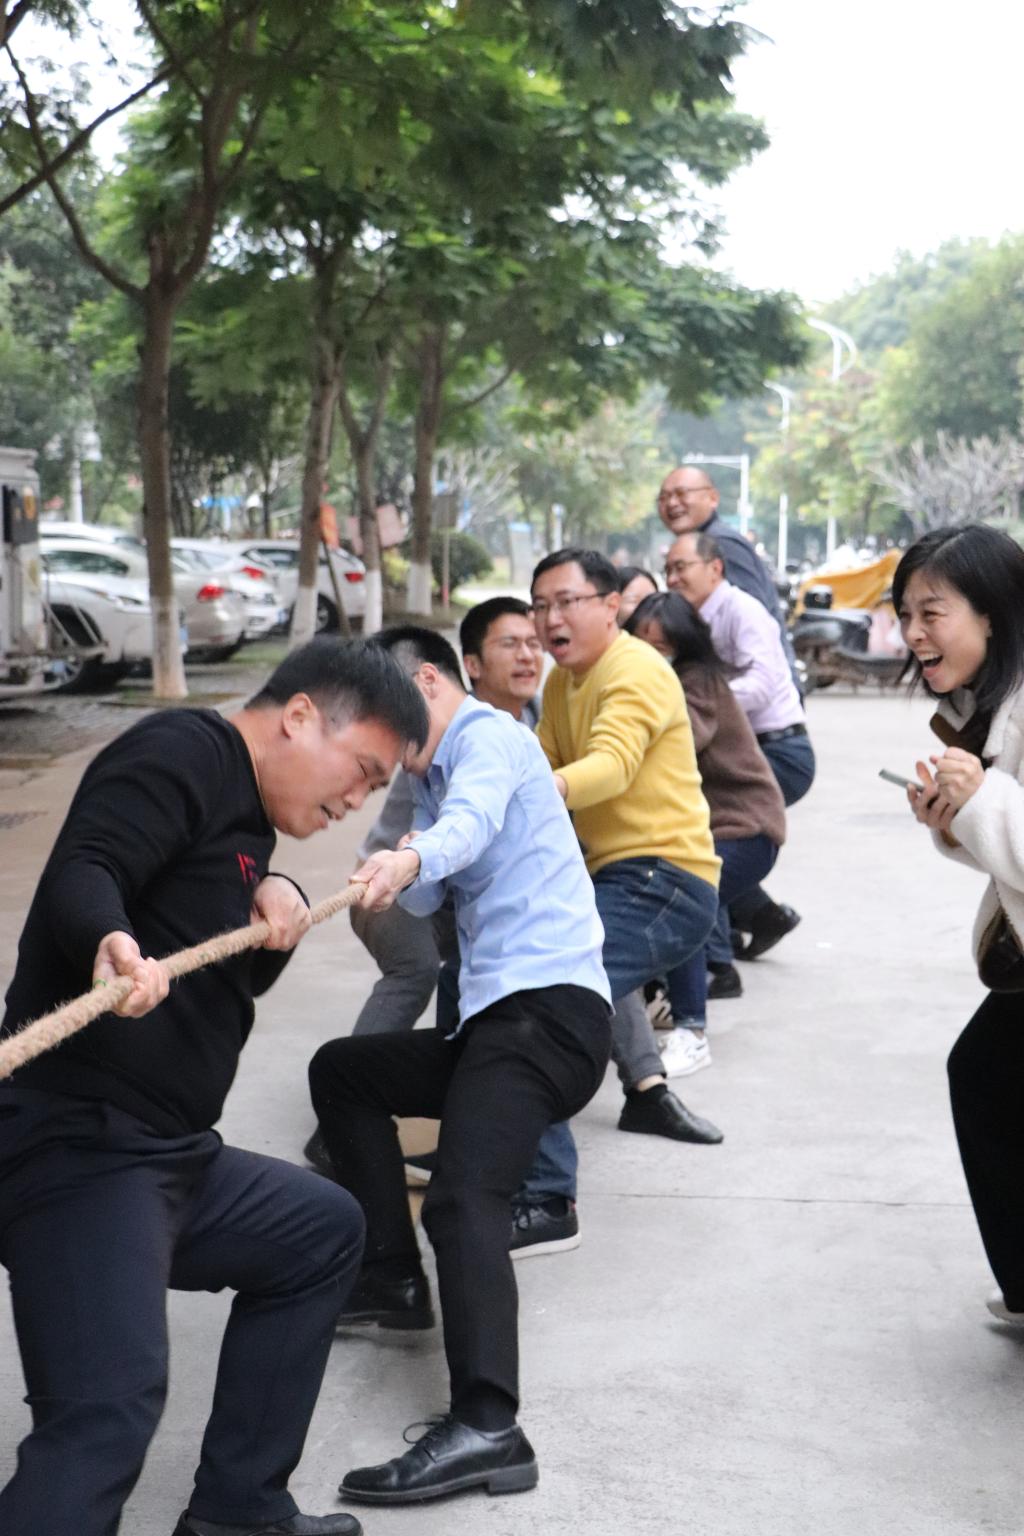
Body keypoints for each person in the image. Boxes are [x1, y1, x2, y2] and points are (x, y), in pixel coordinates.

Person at [0, 637, 429, 1536]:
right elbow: (88, 866)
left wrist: (273, 903)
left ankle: (240, 1511)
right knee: (107, 1409)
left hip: (169, 1155)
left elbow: (219, 974)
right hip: (77, 1145)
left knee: (320, 1232)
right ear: (301, 717)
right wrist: (107, 940)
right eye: (361, 771)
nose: (358, 800)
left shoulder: (248, 820)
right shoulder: (182, 750)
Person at [309, 627, 613, 1505]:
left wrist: (413, 853)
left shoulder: (490, 738)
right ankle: (392, 1276)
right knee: (343, 1072)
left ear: (428, 680)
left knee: (461, 1197)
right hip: (496, 1026)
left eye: (381, 711)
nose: (377, 737)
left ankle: (489, 1425)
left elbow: (470, 825)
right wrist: (403, 859)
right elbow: (437, 887)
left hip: (546, 1015)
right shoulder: (430, 775)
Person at [532, 546, 724, 1143]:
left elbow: (612, 764)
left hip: (666, 878)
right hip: (618, 875)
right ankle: (647, 1093)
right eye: (540, 606)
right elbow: (540, 758)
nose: (551, 619)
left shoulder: (635, 668)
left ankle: (539, 1175)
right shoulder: (562, 681)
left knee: (555, 987)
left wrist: (536, 789)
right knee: (571, 968)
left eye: (567, 602)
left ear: (611, 605)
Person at [894, 524, 1024, 1329]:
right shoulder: (989, 709)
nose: (913, 634)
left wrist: (982, 799)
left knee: (984, 1076)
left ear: (993, 614)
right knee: (983, 1075)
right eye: (905, 614)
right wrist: (955, 818)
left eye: (931, 612)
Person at [625, 591, 786, 1075]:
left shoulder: (697, 682)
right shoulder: (662, 679)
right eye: (642, 645)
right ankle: (666, 1003)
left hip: (745, 825)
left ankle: (691, 1030)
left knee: (684, 898)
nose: (652, 657)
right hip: (708, 827)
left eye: (661, 648)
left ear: (684, 645)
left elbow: (679, 740)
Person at [665, 529, 814, 984]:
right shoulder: (688, 617)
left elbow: (762, 685)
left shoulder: (741, 611)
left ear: (715, 568)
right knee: (702, 841)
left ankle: (716, 965)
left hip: (778, 749)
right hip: (741, 747)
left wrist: (695, 702)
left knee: (704, 848)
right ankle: (761, 917)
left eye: (681, 568)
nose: (672, 578)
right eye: (667, 570)